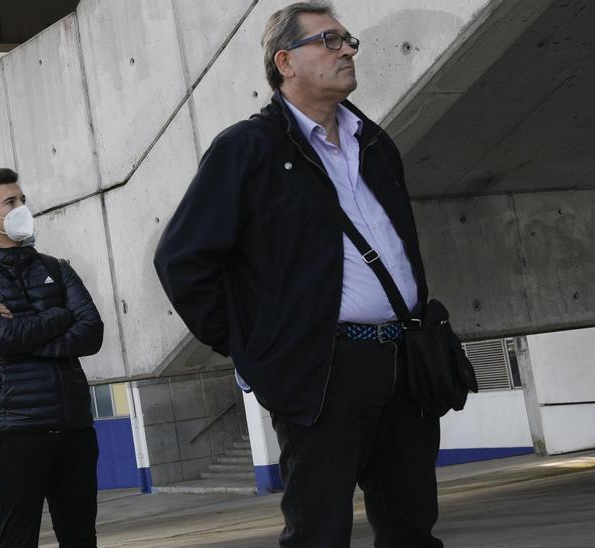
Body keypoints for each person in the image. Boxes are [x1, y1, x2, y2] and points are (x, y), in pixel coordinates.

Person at [153, 2, 441, 546]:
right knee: (319, 532)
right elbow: (181, 261)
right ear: (285, 61)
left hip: (406, 365)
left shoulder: (374, 143)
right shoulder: (247, 148)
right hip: (323, 370)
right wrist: (257, 348)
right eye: (330, 41)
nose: (349, 49)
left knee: (412, 527)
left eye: (348, 39)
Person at [0, 167, 105, 548]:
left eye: (23, 200)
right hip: (13, 428)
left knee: (81, 537)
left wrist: (25, 327)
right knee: (19, 539)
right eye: (12, 202)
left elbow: (92, 332)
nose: (23, 207)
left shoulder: (54, 267)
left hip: (72, 425)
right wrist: (60, 316)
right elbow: (2, 335)